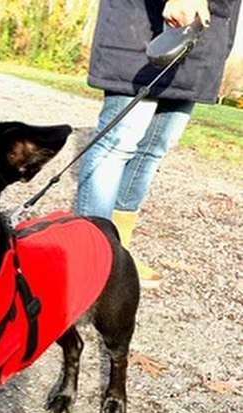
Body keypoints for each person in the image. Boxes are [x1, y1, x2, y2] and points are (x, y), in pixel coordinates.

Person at [75, 0, 241, 287]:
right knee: (118, 143)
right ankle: (92, 257)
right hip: (144, 25)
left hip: (200, 34)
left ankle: (119, 253)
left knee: (153, 149)